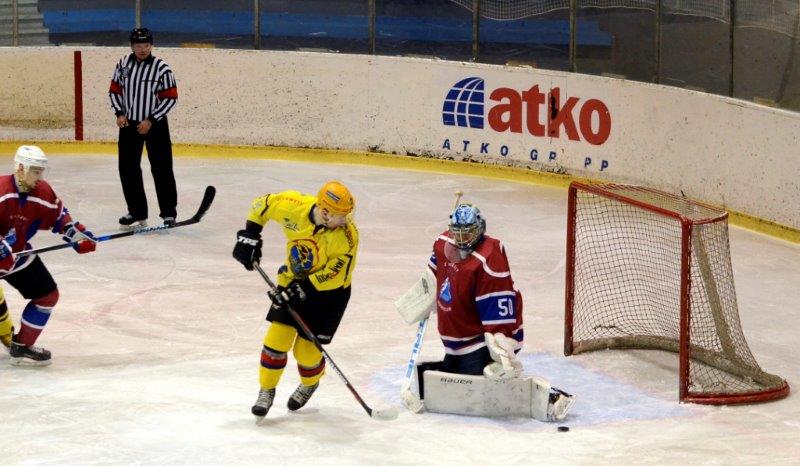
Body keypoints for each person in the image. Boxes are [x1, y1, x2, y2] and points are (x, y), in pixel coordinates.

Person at [232, 181, 359, 422]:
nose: (346, 221)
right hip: (293, 280)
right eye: (341, 216)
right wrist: (250, 236)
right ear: (324, 212)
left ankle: (310, 382)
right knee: (276, 340)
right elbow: (261, 205)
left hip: (328, 296)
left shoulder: (347, 236)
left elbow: (334, 275)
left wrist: (298, 290)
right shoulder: (294, 206)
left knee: (306, 353)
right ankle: (266, 390)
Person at [0, 145, 97, 365]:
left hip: (15, 255)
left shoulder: (42, 192)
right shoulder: (1, 191)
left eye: (41, 172)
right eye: (35, 172)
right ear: (21, 168)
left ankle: (22, 346)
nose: (40, 177)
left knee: (47, 296)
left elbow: (59, 217)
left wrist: (76, 235)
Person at [417, 203, 524, 379]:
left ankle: (502, 367)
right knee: (450, 377)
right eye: (457, 232)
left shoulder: (489, 259)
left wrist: (500, 336)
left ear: (480, 229)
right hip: (458, 338)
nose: (461, 238)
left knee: (464, 382)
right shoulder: (443, 244)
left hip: (479, 340)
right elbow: (433, 273)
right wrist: (423, 295)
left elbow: (497, 301)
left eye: (467, 232)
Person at [109, 27, 179, 230]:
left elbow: (171, 97)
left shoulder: (161, 68)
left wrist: (151, 119)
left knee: (162, 168)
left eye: (146, 45)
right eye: (139, 45)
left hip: (155, 126)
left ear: (151, 46)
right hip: (129, 125)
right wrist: (119, 113)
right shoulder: (123, 64)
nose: (143, 49)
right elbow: (115, 90)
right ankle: (137, 211)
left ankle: (168, 213)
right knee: (127, 168)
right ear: (132, 46)